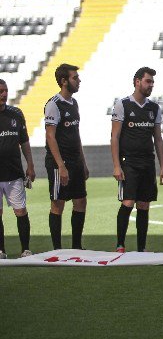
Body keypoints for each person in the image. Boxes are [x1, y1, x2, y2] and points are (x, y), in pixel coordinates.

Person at [111, 67, 163, 253]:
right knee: (128, 202)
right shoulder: (123, 104)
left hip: (147, 162)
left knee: (144, 204)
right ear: (137, 81)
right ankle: (120, 244)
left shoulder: (154, 108)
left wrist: (162, 167)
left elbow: (158, 139)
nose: (151, 85)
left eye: (152, 82)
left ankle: (141, 248)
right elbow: (115, 137)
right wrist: (117, 165)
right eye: (148, 81)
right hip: (129, 162)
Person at [44, 63, 89, 249]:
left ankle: (77, 246)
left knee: (81, 201)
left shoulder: (74, 103)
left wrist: (83, 161)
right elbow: (50, 136)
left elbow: (76, 134)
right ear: (64, 81)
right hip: (59, 163)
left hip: (76, 161)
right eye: (75, 78)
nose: (79, 81)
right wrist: (61, 165)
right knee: (58, 203)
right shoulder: (53, 104)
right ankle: (57, 249)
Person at [0, 78, 34, 258]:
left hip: (14, 174)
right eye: (0, 91)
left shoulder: (16, 114)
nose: (4, 94)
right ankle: (1, 251)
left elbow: (24, 142)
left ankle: (26, 249)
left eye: (5, 90)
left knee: (20, 211)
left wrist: (30, 164)